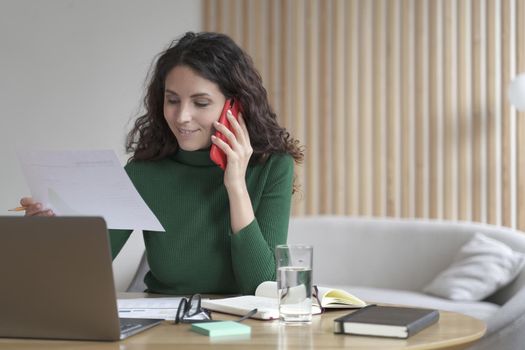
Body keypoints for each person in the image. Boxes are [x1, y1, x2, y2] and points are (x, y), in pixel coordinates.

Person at [19, 31, 303, 295]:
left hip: (246, 332)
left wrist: (236, 186)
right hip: (164, 324)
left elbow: (264, 286)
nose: (181, 117)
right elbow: (79, 273)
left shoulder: (273, 167)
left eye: (200, 103)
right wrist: (50, 233)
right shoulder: (144, 172)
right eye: (172, 100)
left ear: (235, 107)